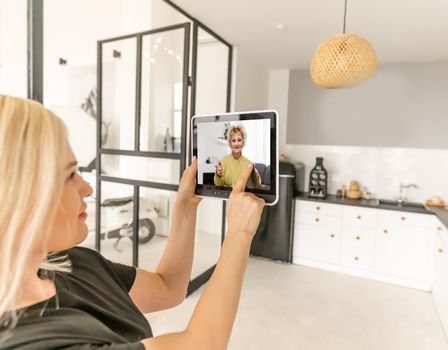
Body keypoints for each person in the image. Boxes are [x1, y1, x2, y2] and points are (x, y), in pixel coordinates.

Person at [0, 95, 265, 349]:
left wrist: (185, 207)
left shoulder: (73, 262)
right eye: (70, 175)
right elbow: (200, 345)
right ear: (20, 196)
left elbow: (168, 287)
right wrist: (239, 234)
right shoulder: (27, 340)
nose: (87, 188)